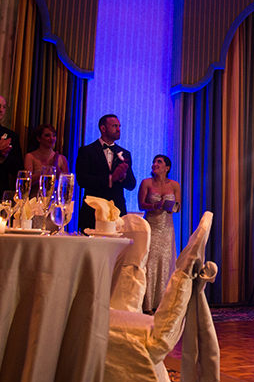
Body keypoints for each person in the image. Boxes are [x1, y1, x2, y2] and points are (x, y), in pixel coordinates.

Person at [76, 114, 135, 232]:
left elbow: (131, 185)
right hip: (93, 211)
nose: (118, 129)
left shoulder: (125, 153)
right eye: (114, 126)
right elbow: (82, 180)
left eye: (119, 126)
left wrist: (122, 177)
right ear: (103, 128)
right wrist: (110, 178)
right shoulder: (87, 151)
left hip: (117, 211)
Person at [138, 154, 182, 312]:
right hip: (151, 226)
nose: (155, 164)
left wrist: (170, 206)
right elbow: (141, 205)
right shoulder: (146, 183)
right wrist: (156, 206)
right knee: (150, 263)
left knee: (165, 263)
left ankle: (164, 304)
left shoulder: (175, 185)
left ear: (167, 168)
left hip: (167, 228)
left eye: (159, 162)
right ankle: (147, 304)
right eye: (154, 161)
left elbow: (178, 207)